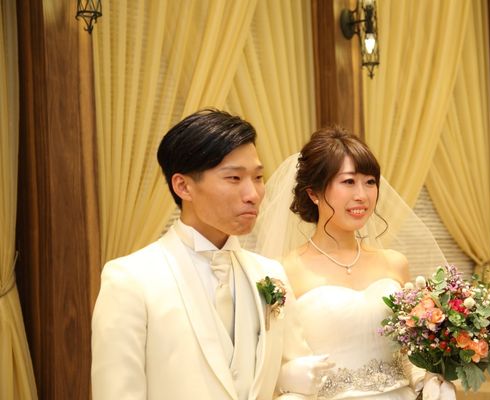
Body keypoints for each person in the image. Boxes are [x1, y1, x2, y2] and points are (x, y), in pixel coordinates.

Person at [91, 109, 332, 400]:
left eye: (258, 177)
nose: (253, 194)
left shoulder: (270, 274)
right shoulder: (131, 279)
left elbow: (301, 376)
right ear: (183, 186)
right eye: (234, 178)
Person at [249, 127, 455, 399]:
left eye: (370, 182)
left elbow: (409, 351)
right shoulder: (282, 272)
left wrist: (428, 378)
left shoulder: (395, 263)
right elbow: (270, 363)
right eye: (348, 182)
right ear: (313, 193)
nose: (362, 195)